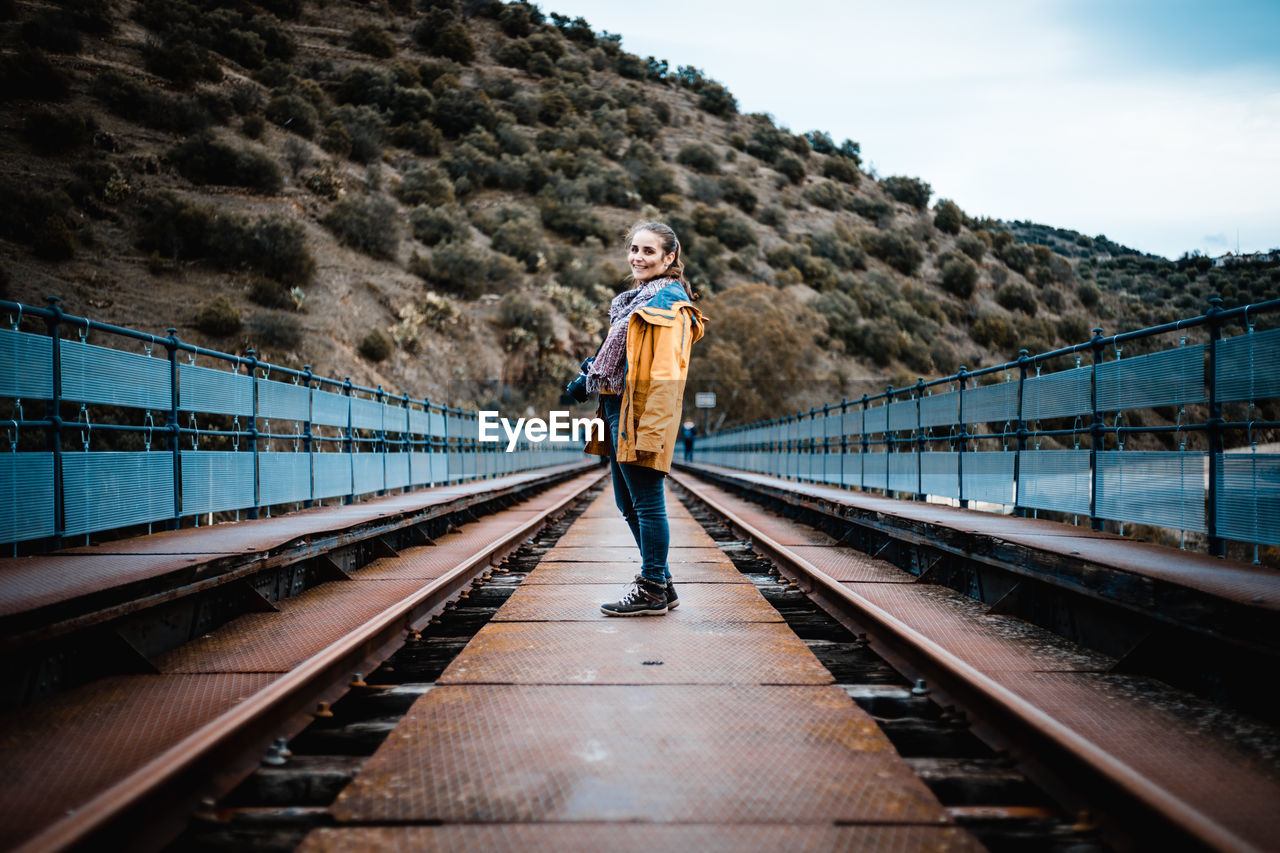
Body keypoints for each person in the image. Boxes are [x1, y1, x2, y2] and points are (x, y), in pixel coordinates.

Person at [582, 221, 706, 616]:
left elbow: (667, 380)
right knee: (628, 503)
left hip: (640, 417)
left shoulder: (670, 308)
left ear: (670, 258)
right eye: (634, 249)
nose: (638, 257)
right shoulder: (634, 303)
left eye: (649, 251)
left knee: (649, 504)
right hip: (617, 409)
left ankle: (652, 586)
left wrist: (650, 435)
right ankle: (663, 585)